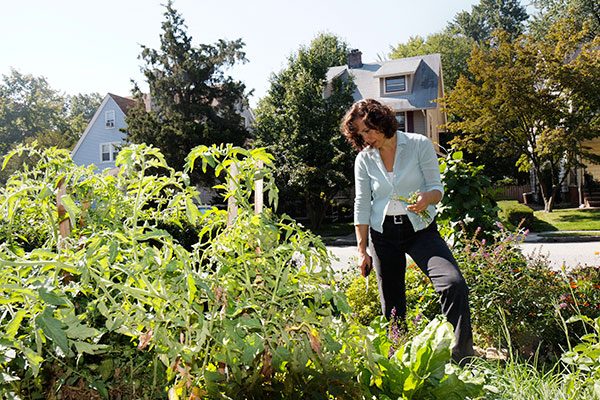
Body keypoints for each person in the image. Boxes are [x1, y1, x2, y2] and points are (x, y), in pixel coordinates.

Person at [340, 98, 474, 363]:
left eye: (368, 130)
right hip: (382, 235)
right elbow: (362, 202)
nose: (365, 138)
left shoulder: (418, 144)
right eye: (360, 134)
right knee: (392, 307)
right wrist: (361, 250)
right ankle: (398, 360)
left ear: (381, 121)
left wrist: (427, 198)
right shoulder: (364, 159)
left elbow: (437, 188)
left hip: (420, 229)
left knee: (453, 284)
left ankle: (463, 359)